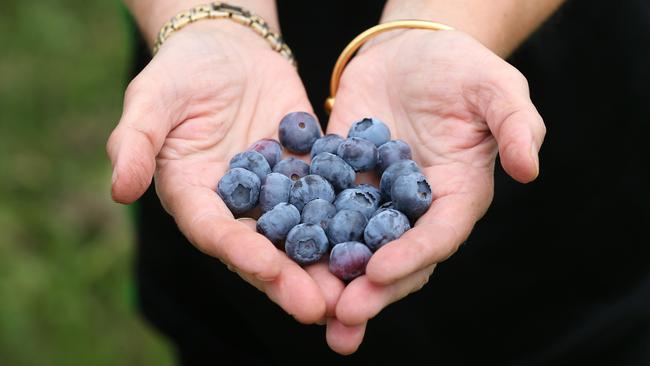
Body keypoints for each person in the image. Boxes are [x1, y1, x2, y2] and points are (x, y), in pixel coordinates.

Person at [107, 0, 650, 364]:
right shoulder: (283, 173)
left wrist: (444, 22)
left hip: (557, 174)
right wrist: (211, 21)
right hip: (229, 120)